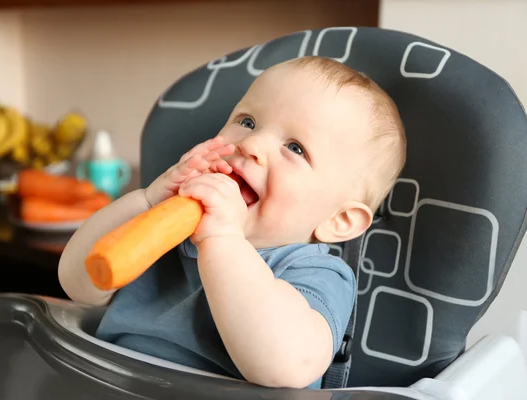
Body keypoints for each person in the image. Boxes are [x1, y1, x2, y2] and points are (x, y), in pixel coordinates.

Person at [58, 55, 406, 389]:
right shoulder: (165, 231)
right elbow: (77, 283)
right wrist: (148, 201)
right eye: (247, 122)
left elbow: (284, 365)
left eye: (296, 148)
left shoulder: (317, 274)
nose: (251, 143)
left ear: (339, 220)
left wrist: (223, 240)